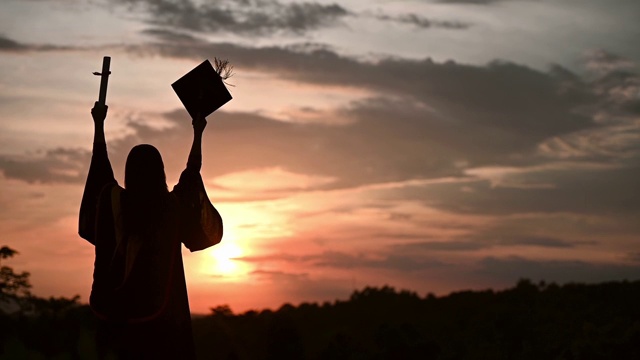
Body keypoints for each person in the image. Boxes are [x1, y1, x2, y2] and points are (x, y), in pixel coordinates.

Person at [79, 102, 223, 359]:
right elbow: (192, 174)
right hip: (162, 323)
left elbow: (100, 167)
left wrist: (99, 123)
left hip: (115, 320)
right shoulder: (170, 208)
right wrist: (198, 132)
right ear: (161, 172)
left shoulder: (112, 202)